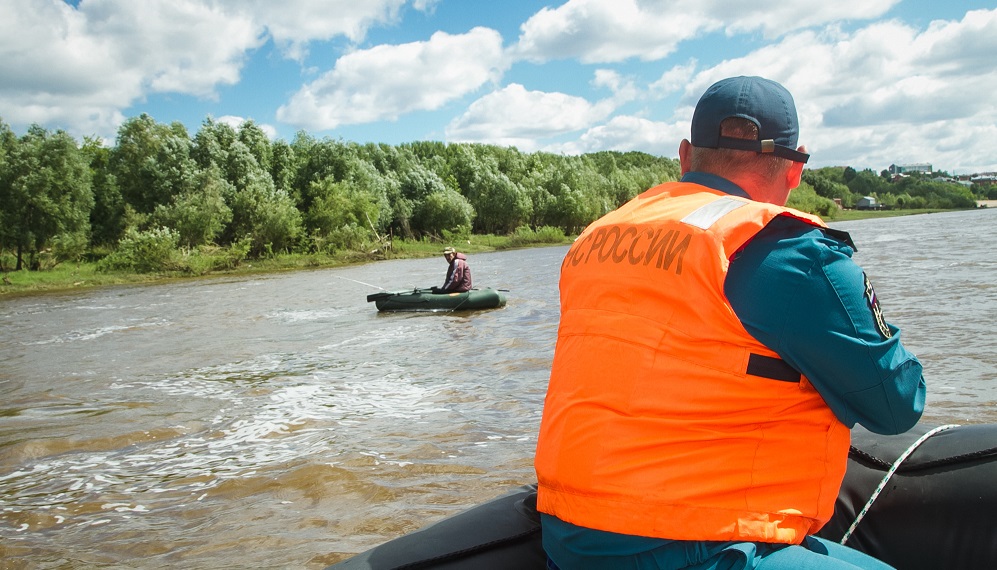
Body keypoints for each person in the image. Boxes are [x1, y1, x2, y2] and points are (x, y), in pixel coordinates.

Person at [533, 76, 926, 570]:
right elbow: (897, 407)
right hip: (690, 543)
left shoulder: (595, 238)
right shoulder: (787, 250)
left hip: (569, 533)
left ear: (684, 155)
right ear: (796, 167)